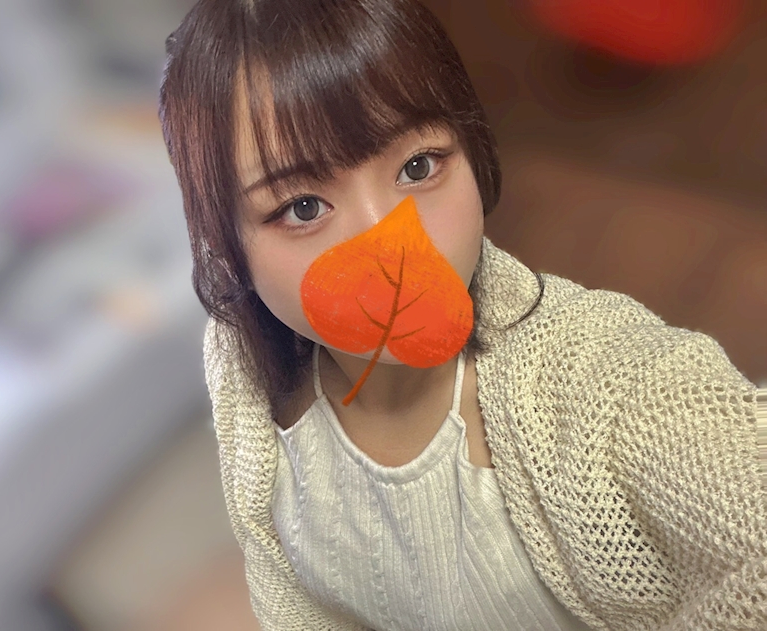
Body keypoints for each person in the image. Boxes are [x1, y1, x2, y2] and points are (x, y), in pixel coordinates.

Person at [158, 0, 767, 629]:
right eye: (303, 207)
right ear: (225, 246)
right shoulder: (240, 369)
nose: (390, 250)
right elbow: (290, 595)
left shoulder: (601, 382)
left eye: (417, 167)